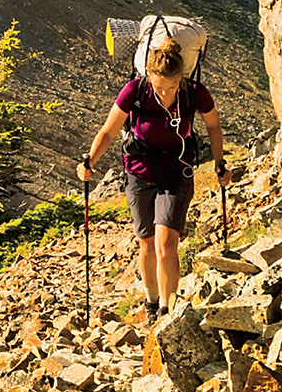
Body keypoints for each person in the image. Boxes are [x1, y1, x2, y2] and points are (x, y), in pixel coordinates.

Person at [76, 35, 224, 326]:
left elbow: (213, 126)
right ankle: (151, 300)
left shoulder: (194, 92)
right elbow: (109, 131)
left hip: (177, 168)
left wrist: (220, 163)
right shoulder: (135, 90)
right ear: (149, 76)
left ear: (180, 77)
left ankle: (168, 311)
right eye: (159, 86)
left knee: (167, 242)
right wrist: (89, 161)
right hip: (139, 169)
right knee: (146, 242)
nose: (165, 93)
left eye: (171, 87)